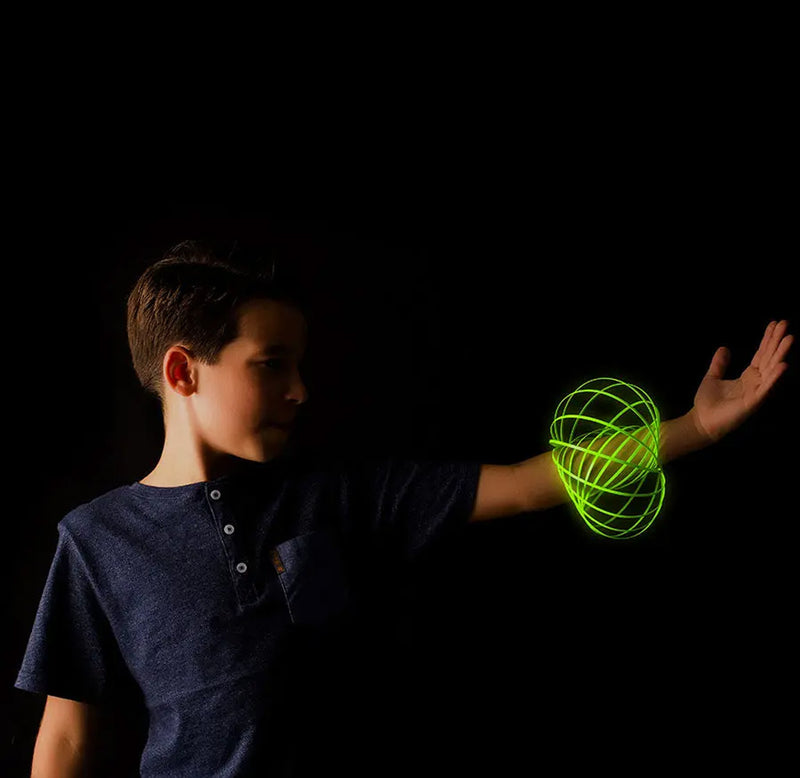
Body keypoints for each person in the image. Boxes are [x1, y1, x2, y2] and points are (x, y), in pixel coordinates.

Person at [14, 239, 793, 776]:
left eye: (301, 363)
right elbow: (67, 740)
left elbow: (526, 481)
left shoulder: (342, 494)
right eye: (271, 365)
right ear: (184, 371)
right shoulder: (95, 541)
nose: (300, 389)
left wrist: (692, 429)